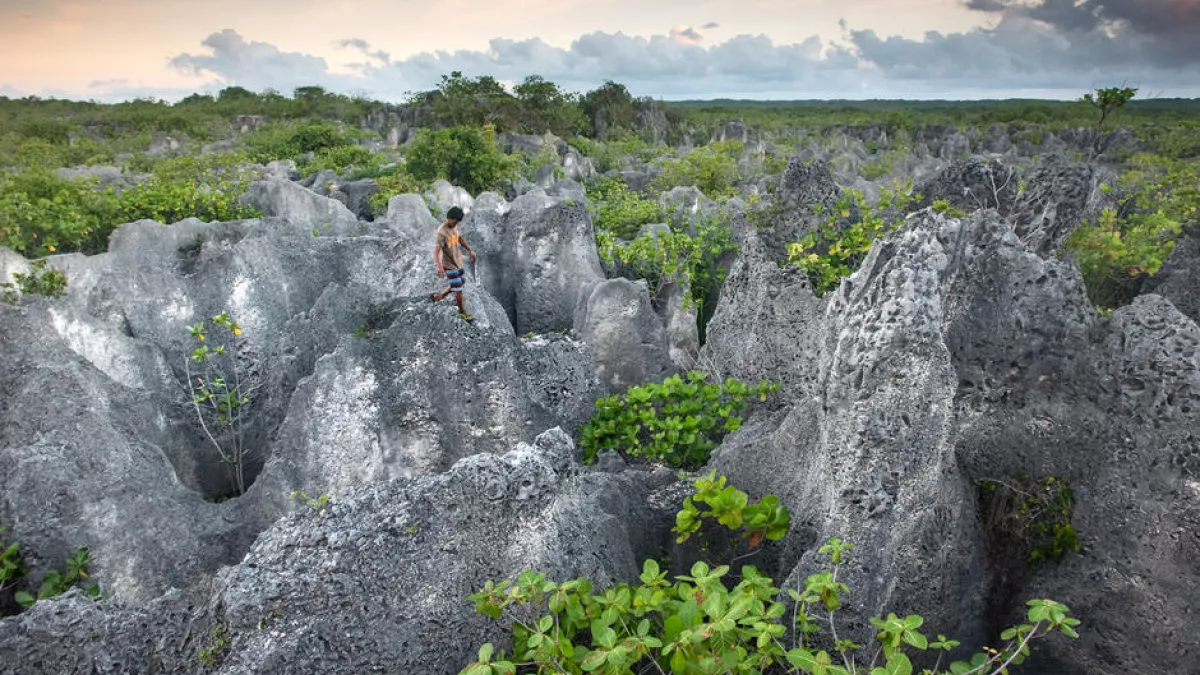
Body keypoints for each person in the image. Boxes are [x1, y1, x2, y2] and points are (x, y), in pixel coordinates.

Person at [430, 206, 477, 321]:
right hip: (449, 265)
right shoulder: (442, 232)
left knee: (460, 283)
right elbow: (436, 252)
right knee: (458, 290)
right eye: (455, 221)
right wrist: (440, 267)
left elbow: (460, 238)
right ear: (449, 218)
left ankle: (439, 297)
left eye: (458, 222)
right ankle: (462, 312)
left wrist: (470, 250)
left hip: (458, 261)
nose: (456, 223)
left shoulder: (455, 226)